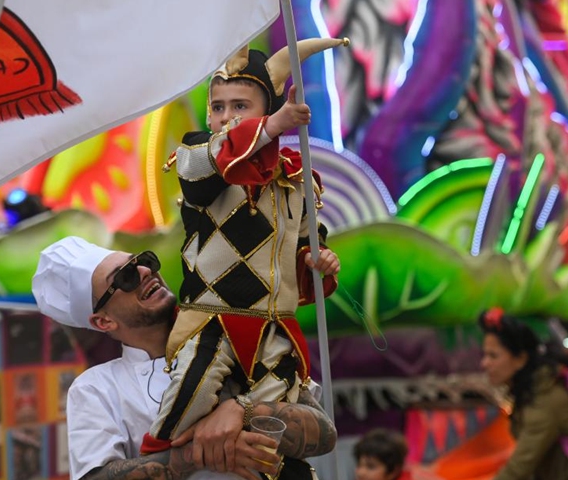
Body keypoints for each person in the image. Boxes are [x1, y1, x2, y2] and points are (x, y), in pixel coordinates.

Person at [145, 37, 349, 455]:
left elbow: (307, 241)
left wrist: (317, 259)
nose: (225, 117)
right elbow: (206, 177)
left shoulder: (298, 176)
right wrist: (271, 127)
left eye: (240, 106)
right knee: (185, 404)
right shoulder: (198, 153)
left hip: (276, 327)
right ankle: (158, 462)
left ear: (268, 108)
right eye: (217, 106)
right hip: (212, 321)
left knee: (271, 430)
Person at [32, 237, 337, 480]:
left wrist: (242, 411)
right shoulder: (96, 388)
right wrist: (197, 453)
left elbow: (324, 434)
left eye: (143, 261)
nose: (144, 272)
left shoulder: (233, 331)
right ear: (103, 322)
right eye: (125, 277)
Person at [478, 308, 568, 480]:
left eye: (493, 356)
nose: (485, 363)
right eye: (484, 355)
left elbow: (518, 469)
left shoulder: (545, 400)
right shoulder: (538, 390)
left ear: (520, 359)